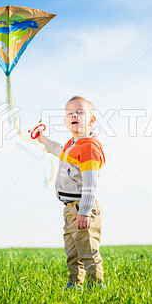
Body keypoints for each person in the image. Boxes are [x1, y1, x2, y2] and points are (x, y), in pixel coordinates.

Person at [37, 96, 105, 288]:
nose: (74, 115)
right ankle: (74, 284)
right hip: (70, 209)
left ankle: (96, 287)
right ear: (66, 122)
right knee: (73, 251)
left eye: (80, 112)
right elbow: (58, 149)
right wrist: (43, 139)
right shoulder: (71, 145)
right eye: (69, 113)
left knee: (88, 251)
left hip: (83, 208)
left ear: (91, 121)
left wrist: (84, 211)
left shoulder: (89, 147)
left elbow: (91, 184)